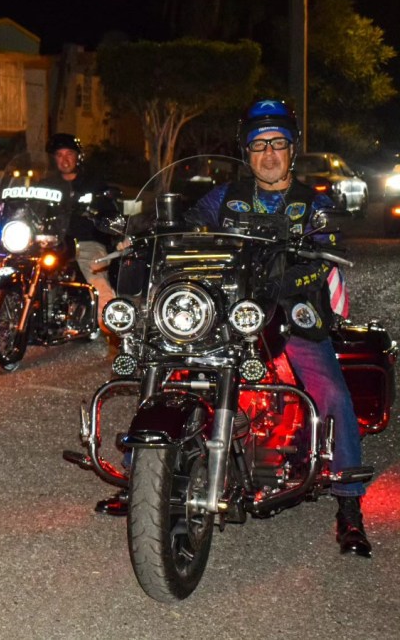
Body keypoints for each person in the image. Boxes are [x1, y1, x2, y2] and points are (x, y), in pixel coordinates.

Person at [99, 100, 372, 557]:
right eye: (259, 145)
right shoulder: (224, 197)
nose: (269, 153)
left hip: (291, 309)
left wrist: (301, 262)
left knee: (331, 393)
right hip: (232, 309)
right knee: (171, 370)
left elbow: (326, 246)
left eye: (278, 143)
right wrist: (144, 236)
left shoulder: (312, 203)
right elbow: (184, 228)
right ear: (247, 153)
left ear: (292, 149)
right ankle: (140, 477)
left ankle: (349, 506)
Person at [46, 133, 117, 323]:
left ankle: (113, 323)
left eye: (69, 154)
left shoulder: (93, 183)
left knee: (98, 282)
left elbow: (110, 209)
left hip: (86, 242)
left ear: (78, 156)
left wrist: (97, 212)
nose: (64, 159)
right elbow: (31, 206)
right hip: (52, 244)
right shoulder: (47, 185)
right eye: (59, 155)